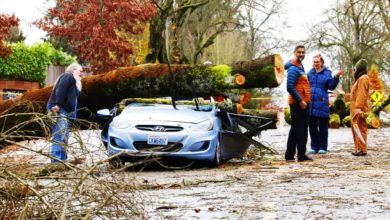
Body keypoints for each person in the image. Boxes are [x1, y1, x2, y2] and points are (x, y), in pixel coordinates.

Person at [47, 63, 84, 163]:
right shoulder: (68, 76)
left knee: (64, 137)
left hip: (64, 110)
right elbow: (61, 90)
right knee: (59, 136)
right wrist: (58, 105)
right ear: (73, 70)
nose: (82, 73)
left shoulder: (73, 80)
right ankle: (56, 163)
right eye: (80, 71)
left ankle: (62, 162)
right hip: (59, 108)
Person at [307, 54, 344, 154]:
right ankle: (314, 147)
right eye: (314, 62)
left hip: (322, 103)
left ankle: (323, 147)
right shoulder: (310, 73)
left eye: (317, 62)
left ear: (322, 62)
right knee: (312, 126)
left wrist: (336, 77)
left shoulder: (327, 73)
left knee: (323, 126)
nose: (315, 64)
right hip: (311, 103)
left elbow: (331, 86)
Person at [285, 45, 313, 162]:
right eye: (299, 52)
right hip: (298, 103)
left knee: (295, 129)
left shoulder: (300, 66)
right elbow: (290, 86)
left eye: (303, 52)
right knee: (301, 129)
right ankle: (301, 155)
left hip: (302, 102)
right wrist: (300, 100)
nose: (301, 54)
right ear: (294, 52)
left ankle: (289, 155)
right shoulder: (293, 68)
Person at [350, 59, 370, 156]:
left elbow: (361, 94)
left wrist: (358, 108)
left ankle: (362, 149)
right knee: (356, 128)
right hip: (355, 107)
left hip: (359, 108)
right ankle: (359, 148)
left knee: (360, 128)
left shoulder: (363, 78)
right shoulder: (360, 78)